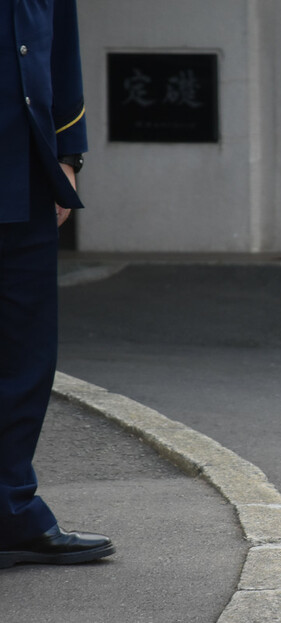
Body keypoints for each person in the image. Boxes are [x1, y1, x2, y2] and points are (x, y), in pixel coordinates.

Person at [0, 0, 115, 569]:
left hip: (25, 176)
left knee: (27, 357)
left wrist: (69, 156)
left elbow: (61, 52)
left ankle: (12, 512)